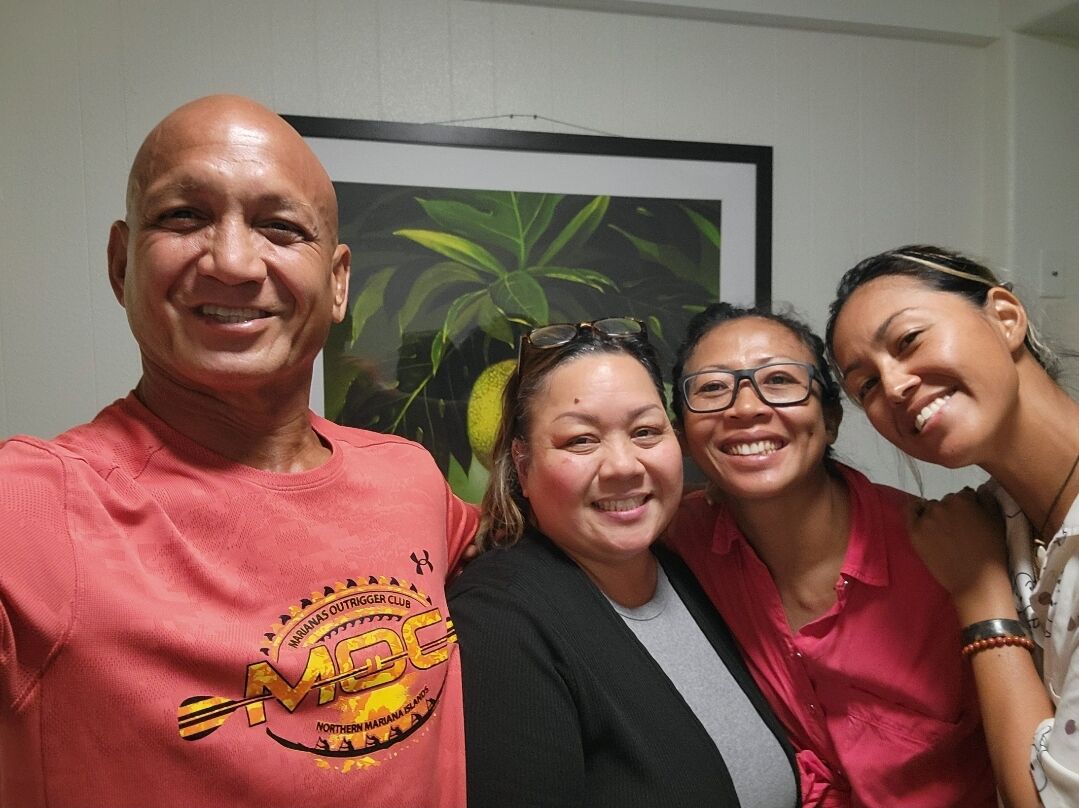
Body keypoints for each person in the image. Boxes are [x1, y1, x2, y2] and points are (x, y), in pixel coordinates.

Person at [0, 95, 478, 807]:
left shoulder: (407, 475)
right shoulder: (33, 503)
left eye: (281, 228)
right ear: (119, 262)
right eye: (183, 217)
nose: (231, 261)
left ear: (338, 281)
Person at [448, 317, 800, 807]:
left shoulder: (679, 569)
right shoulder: (499, 619)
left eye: (645, 431)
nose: (623, 466)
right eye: (581, 440)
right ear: (523, 466)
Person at [666, 301, 998, 807]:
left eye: (779, 380)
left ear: (832, 418)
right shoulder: (671, 547)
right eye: (711, 388)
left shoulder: (944, 551)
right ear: (686, 436)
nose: (746, 407)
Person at [825, 244, 1079, 808]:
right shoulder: (995, 522)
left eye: (909, 341)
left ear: (1006, 318)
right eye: (865, 385)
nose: (893, 387)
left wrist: (980, 596)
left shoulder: (975, 559)